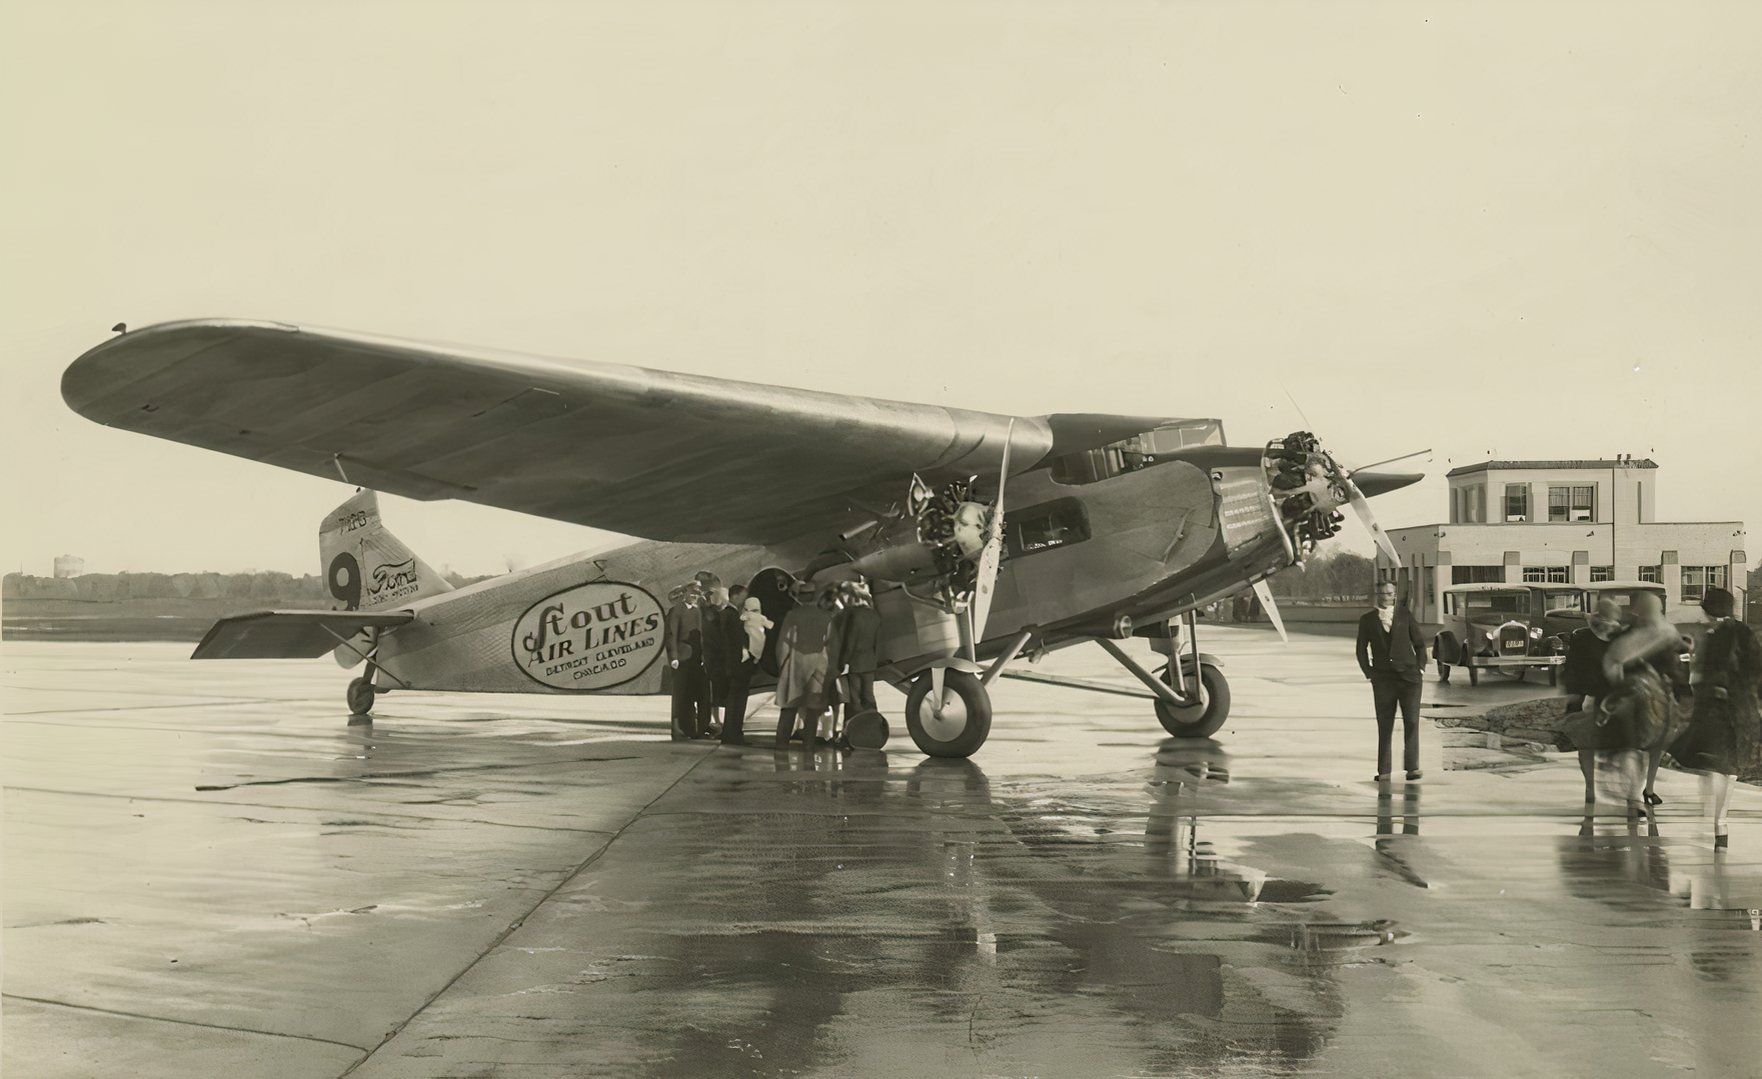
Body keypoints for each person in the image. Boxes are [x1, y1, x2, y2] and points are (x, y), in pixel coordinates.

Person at [1668, 587, 1760, 848]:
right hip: (1736, 706)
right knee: (1724, 765)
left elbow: (1730, 669)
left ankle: (1717, 819)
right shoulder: (1736, 632)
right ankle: (1717, 819)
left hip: (1722, 707)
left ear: (1710, 609)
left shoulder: (1725, 635)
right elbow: (1756, 667)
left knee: (1718, 764)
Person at [1594, 592, 1681, 818]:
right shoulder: (1667, 635)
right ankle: (1643, 791)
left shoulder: (1627, 635)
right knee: (1649, 749)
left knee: (1632, 748)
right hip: (1654, 701)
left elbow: (1611, 664)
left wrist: (1615, 692)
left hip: (1631, 699)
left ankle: (1635, 796)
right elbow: (1675, 670)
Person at [1356, 581, 1428, 781]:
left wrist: (1420, 669)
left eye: (1389, 593)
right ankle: (1384, 771)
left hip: (1410, 679)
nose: (1385, 596)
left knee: (1412, 722)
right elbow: (1360, 649)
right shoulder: (1367, 620)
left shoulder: (1405, 616)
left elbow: (1420, 645)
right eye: (1381, 593)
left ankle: (1412, 768)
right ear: (1377, 595)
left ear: (1395, 595)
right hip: (1383, 680)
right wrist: (1370, 673)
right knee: (1385, 724)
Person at [1561, 599, 1624, 805]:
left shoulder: (1619, 638)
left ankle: (1601, 782)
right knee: (1587, 745)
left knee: (1607, 744)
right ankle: (1591, 786)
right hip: (1592, 698)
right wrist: (1574, 696)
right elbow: (1572, 669)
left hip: (1609, 698)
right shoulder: (1583, 637)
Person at [775, 581, 836, 749]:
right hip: (818, 665)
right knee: (813, 711)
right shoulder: (826, 617)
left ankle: (781, 746)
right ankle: (808, 746)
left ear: (800, 597)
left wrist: (782, 666)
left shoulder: (792, 615)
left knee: (788, 709)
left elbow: (782, 644)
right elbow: (832, 645)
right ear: (815, 597)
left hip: (794, 665)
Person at [722, 592, 770, 745]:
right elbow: (735, 642)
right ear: (734, 596)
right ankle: (733, 733)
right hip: (740, 665)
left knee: (736, 698)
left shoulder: (735, 615)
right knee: (737, 699)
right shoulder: (732, 615)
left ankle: (732, 732)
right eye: (742, 595)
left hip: (739, 664)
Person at [664, 580, 709, 740]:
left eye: (697, 594)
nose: (695, 596)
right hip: (682, 658)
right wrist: (674, 657)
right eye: (692, 593)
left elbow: (701, 635)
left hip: (696, 658)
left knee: (694, 693)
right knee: (681, 695)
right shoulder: (677, 610)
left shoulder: (697, 611)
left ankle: (695, 729)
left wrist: (703, 655)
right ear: (685, 594)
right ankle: (678, 729)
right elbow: (671, 635)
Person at [834, 581, 883, 727]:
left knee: (854, 699)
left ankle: (852, 729)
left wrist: (842, 662)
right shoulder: (874, 615)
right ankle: (873, 726)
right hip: (870, 661)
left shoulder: (852, 616)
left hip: (854, 662)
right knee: (869, 695)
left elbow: (850, 642)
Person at [700, 582, 737, 735]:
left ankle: (717, 721)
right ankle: (718, 721)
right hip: (716, 657)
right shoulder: (716, 614)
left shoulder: (712, 613)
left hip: (716, 657)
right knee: (718, 691)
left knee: (717, 691)